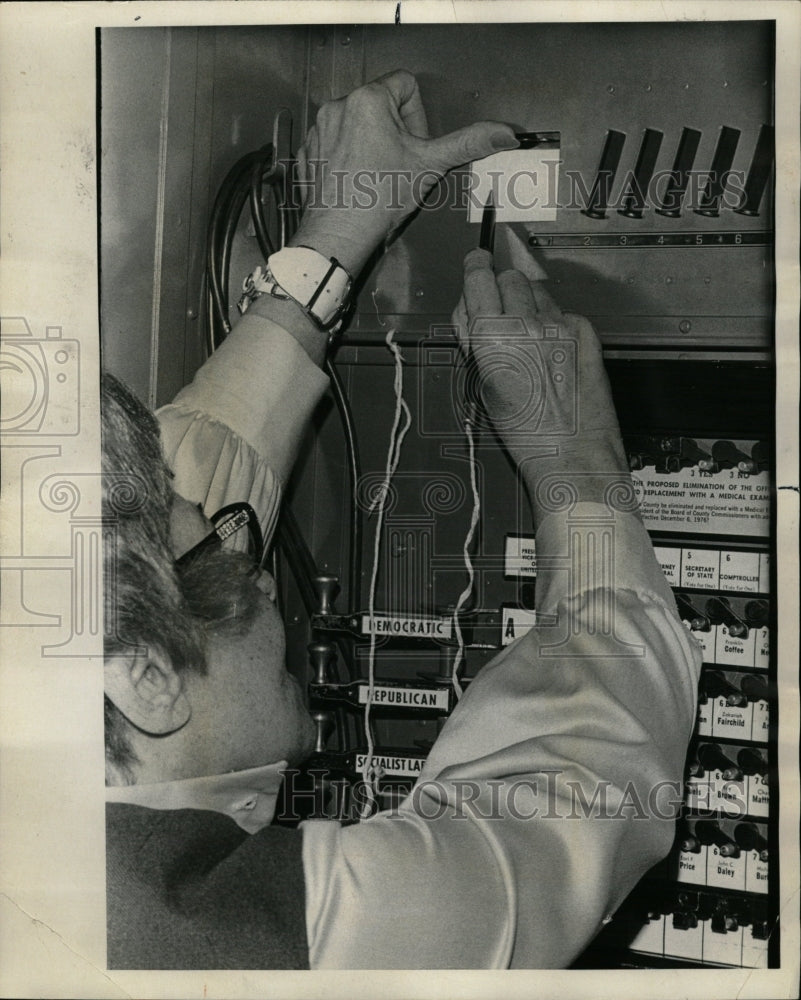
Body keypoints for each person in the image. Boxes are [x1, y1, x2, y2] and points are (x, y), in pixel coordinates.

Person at [103, 70, 702, 969]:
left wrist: (341, 227)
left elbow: (190, 467)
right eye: (220, 551)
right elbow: (575, 788)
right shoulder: (235, 934)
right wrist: (573, 457)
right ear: (144, 675)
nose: (258, 565)